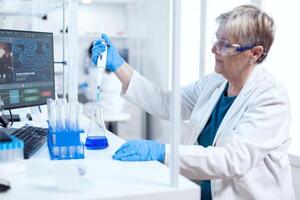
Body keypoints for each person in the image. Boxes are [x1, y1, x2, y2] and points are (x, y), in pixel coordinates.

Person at [92, 5, 295, 200]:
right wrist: (119, 65)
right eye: (217, 40)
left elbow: (231, 160)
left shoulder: (271, 99)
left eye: (225, 45)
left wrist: (161, 151)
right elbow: (166, 103)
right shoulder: (215, 82)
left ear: (255, 53)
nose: (214, 49)